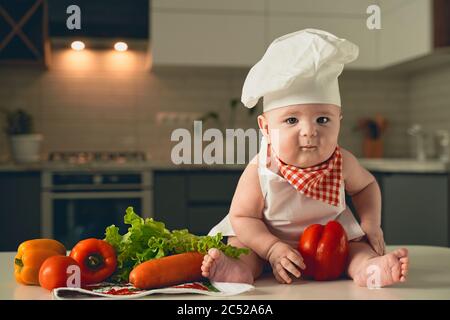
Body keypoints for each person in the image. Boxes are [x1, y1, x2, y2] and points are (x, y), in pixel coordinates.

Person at [201, 29, 409, 287]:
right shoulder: (262, 169)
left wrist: (371, 225)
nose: (310, 130)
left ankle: (368, 269)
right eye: (291, 120)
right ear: (265, 127)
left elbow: (366, 186)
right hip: (266, 241)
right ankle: (239, 272)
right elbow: (242, 218)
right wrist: (272, 249)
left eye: (323, 119)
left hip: (328, 245)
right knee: (243, 247)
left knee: (356, 248)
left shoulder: (342, 162)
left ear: (339, 122)